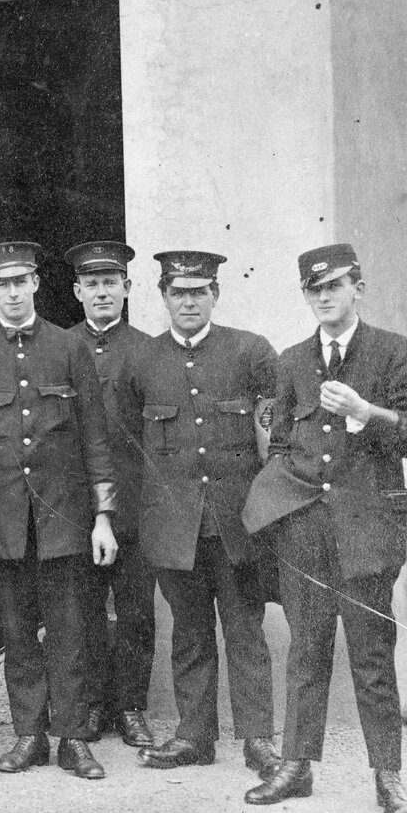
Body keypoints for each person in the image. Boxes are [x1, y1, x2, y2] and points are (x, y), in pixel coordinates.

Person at [241, 243, 407, 813]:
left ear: (359, 286)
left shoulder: (395, 352)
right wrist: (282, 508)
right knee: (306, 650)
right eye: (313, 289)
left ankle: (389, 777)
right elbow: (279, 444)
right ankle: (296, 767)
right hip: (305, 531)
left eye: (334, 286)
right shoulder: (292, 360)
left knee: (372, 656)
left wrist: (365, 411)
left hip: (367, 532)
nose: (324, 297)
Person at [0, 241, 118, 780]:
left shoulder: (69, 348)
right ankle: (29, 735)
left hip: (66, 520)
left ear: (36, 284)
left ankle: (73, 738)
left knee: (71, 632)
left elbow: (96, 437)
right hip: (1, 521)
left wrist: (102, 517)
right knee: (18, 633)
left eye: (20, 281)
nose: (12, 292)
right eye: (1, 284)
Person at [122, 251, 283, 779]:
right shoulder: (142, 360)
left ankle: (258, 741)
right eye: (177, 292)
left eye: (198, 291)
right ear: (163, 296)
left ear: (216, 294)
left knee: (244, 631)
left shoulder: (250, 351)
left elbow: (277, 431)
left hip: (237, 525)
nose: (188, 301)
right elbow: (127, 443)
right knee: (188, 633)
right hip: (172, 526)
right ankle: (195, 736)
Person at [64, 240, 157, 749]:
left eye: (110, 283)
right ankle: (95, 704)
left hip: (138, 506)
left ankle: (132, 706)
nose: (102, 292)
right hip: (77, 507)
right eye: (92, 284)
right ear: (77, 291)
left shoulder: (149, 349)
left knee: (138, 611)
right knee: (84, 612)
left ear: (127, 287)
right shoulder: (60, 347)